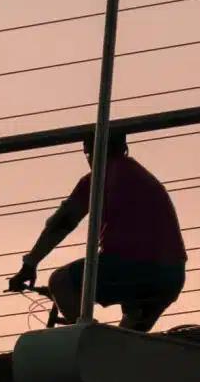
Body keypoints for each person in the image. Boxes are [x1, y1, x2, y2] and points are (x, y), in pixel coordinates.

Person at [13, 127, 185, 330]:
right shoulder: (138, 174)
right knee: (124, 344)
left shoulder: (99, 177)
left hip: (136, 267)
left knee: (60, 282)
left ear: (93, 151)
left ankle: (89, 344)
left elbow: (63, 222)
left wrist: (30, 264)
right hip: (170, 274)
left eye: (87, 153)